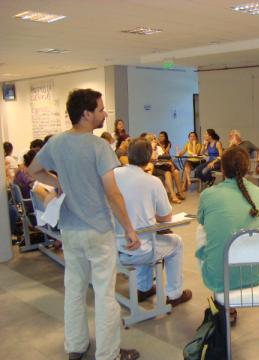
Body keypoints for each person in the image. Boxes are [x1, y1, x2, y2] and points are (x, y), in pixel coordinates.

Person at [27, 88, 140, 360]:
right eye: (101, 109)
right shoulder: (99, 146)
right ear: (87, 114)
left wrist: (59, 182)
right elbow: (112, 193)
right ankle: (108, 353)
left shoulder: (56, 142)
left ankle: (75, 346)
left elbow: (32, 170)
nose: (105, 114)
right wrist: (128, 228)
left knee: (74, 290)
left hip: (70, 229)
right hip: (98, 230)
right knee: (104, 294)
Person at [196, 146, 259, 322]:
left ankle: (225, 305)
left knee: (202, 230)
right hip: (258, 274)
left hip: (221, 275)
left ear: (222, 169)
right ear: (247, 169)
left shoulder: (208, 194)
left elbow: (203, 223)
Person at [114, 138, 192, 305]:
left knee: (147, 234)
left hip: (114, 247)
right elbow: (166, 217)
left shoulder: (113, 174)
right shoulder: (153, 182)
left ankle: (144, 287)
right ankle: (175, 294)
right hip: (140, 249)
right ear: (150, 157)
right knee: (175, 243)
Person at [152, 132, 184, 203]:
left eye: (162, 136)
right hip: (158, 165)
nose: (159, 138)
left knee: (176, 172)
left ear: (165, 137)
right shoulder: (151, 148)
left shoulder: (163, 145)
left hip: (165, 163)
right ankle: (173, 195)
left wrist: (170, 163)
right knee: (168, 172)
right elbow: (154, 159)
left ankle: (179, 192)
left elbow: (165, 155)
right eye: (158, 137)